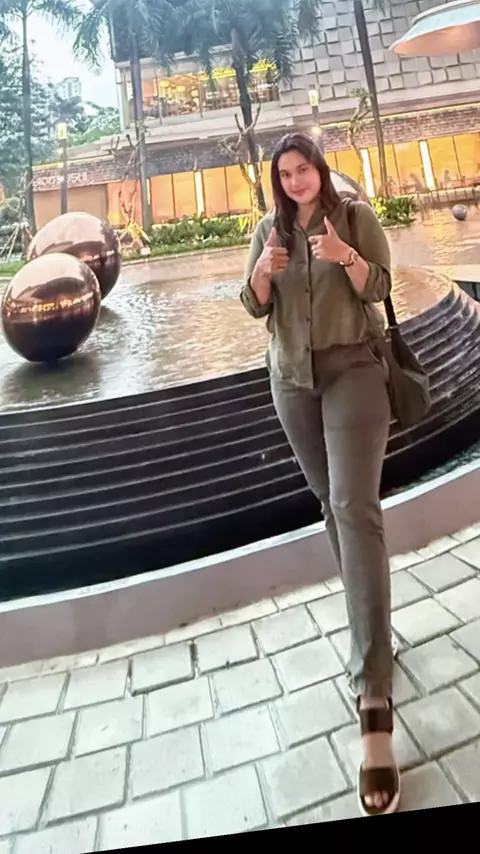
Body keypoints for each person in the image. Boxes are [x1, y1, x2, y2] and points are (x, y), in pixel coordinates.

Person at [240, 131, 400, 817]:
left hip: (353, 370)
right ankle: (375, 633)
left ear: (319, 170)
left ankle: (374, 699)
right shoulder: (267, 232)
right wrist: (262, 274)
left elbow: (383, 286)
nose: (296, 181)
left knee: (355, 508)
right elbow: (254, 307)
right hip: (291, 382)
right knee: (331, 506)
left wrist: (346, 258)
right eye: (285, 173)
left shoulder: (354, 217)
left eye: (303, 169)